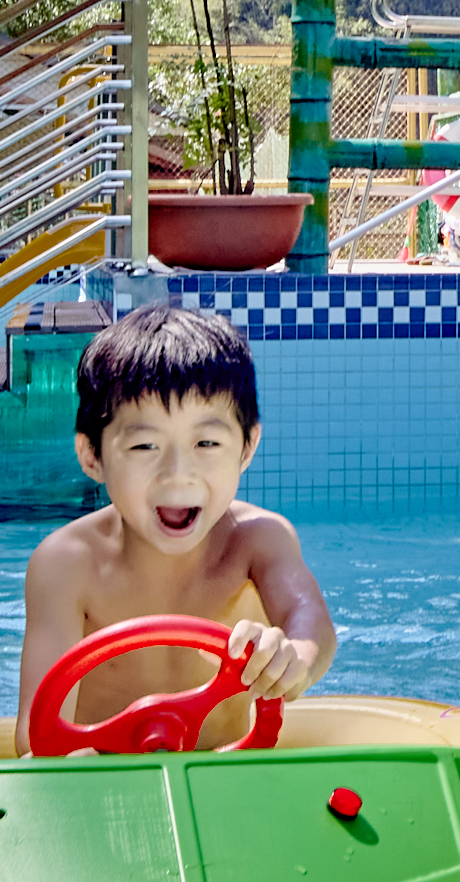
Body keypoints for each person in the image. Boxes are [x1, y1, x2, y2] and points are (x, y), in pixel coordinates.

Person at [20, 305, 337, 735]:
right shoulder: (67, 564)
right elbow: (34, 732)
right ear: (91, 456)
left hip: (220, 777)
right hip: (99, 779)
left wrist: (294, 658)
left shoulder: (258, 542)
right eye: (144, 446)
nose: (176, 473)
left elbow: (310, 621)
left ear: (247, 447)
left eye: (206, 442)